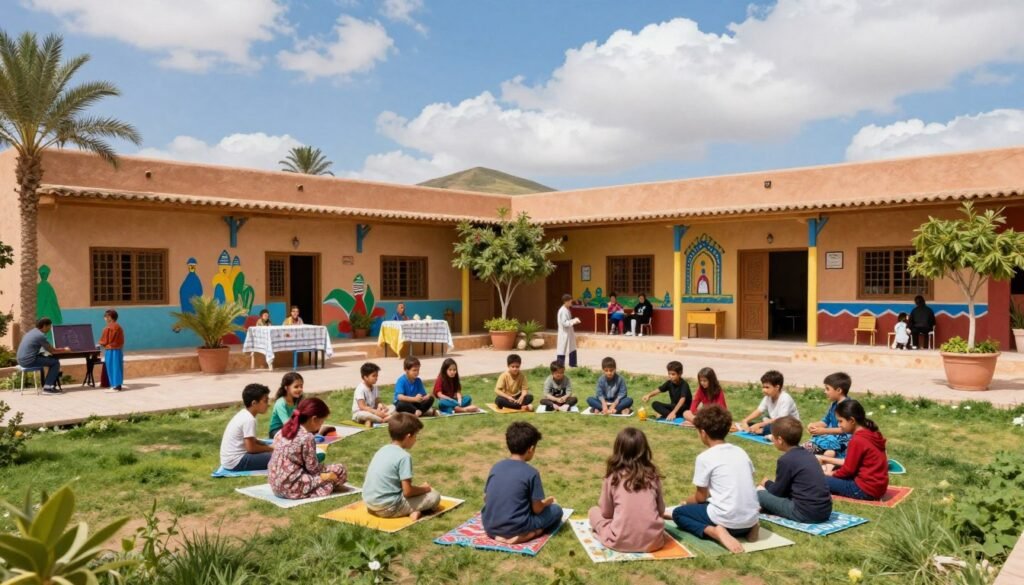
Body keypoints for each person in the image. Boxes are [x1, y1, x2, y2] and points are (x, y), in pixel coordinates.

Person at [670, 405, 760, 554]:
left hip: (727, 522)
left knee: (679, 513)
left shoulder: (705, 457)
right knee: (712, 506)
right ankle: (752, 526)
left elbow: (700, 497)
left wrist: (686, 502)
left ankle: (716, 532)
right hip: (749, 518)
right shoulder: (740, 451)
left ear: (703, 433)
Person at [482, 422, 564, 543]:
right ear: (531, 449)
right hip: (518, 527)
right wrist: (547, 503)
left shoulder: (496, 467)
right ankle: (531, 534)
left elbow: (486, 498)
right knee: (556, 511)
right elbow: (537, 509)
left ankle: (498, 537)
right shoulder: (531, 473)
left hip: (490, 526)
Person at [588, 427, 667, 553]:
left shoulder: (613, 477)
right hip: (654, 541)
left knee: (593, 511)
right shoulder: (652, 476)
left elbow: (606, 513)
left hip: (620, 541)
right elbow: (661, 509)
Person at [268, 397, 348, 500]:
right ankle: (327, 483)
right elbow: (313, 469)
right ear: (314, 419)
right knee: (340, 470)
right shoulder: (307, 437)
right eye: (322, 421)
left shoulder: (282, 431)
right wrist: (327, 473)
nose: (321, 425)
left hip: (275, 484)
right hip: (291, 487)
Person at [757, 416, 833, 524]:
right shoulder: (809, 455)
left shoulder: (785, 460)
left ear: (780, 440)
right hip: (825, 512)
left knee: (759, 493)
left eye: (773, 437)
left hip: (805, 513)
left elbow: (778, 492)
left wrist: (766, 483)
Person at [817, 400, 889, 501]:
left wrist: (831, 474)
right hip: (879, 488)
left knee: (816, 479)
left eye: (840, 421)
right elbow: (850, 464)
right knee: (834, 470)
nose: (838, 425)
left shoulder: (857, 440)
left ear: (851, 420)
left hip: (864, 490)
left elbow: (848, 470)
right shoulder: (872, 433)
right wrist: (824, 459)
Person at [219, 384, 274, 472]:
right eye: (265, 401)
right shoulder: (249, 419)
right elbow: (251, 448)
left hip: (229, 460)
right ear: (254, 403)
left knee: (274, 452)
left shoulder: (245, 414)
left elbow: (251, 440)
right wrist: (271, 448)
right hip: (236, 462)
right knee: (279, 456)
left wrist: (265, 444)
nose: (268, 404)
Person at [803, 372, 852, 457]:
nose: (825, 392)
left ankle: (827, 468)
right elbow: (825, 421)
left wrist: (823, 431)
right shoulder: (834, 404)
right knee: (803, 449)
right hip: (831, 439)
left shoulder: (848, 407)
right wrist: (814, 425)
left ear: (839, 390)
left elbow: (844, 430)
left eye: (827, 389)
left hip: (844, 442)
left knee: (828, 453)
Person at [16, 317, 68, 395]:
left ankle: (48, 385)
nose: (50, 329)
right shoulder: (40, 336)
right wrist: (65, 349)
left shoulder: (32, 332)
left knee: (50, 360)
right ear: (44, 326)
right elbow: (52, 350)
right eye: (49, 326)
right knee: (55, 362)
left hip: (20, 359)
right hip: (29, 361)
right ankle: (47, 388)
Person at [740, 370, 799, 436]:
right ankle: (757, 430)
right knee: (751, 425)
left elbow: (780, 420)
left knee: (768, 427)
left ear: (777, 387)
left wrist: (759, 425)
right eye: (763, 387)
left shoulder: (785, 398)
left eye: (767, 387)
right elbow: (759, 410)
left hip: (790, 426)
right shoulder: (768, 397)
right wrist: (745, 420)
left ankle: (760, 431)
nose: (764, 390)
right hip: (775, 423)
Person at [268, 372, 304, 438]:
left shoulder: (298, 401)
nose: (300, 389)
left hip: (291, 428)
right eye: (296, 387)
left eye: (301, 386)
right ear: (286, 388)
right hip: (276, 431)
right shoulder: (280, 403)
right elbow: (287, 424)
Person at [97, 309, 125, 392]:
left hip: (111, 350)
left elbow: (105, 341)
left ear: (110, 317)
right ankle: (117, 385)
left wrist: (99, 343)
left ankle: (116, 386)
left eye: (106, 316)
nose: (104, 318)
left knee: (113, 367)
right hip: (118, 350)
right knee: (117, 367)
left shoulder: (109, 328)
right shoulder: (118, 326)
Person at [555, 294, 580, 367]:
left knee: (572, 347)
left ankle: (573, 363)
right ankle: (560, 365)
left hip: (569, 332)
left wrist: (573, 320)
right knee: (562, 349)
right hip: (564, 333)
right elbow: (564, 323)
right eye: (570, 301)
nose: (571, 302)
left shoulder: (567, 309)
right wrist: (574, 321)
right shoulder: (562, 311)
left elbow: (567, 321)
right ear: (566, 302)